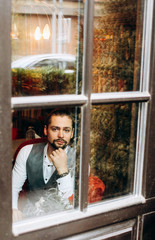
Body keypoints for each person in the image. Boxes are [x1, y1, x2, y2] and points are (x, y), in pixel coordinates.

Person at [12, 109, 75, 222]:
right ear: (46, 130)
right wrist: (13, 209)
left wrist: (62, 170)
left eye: (66, 130)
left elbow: (70, 203)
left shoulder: (80, 160)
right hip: (28, 216)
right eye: (55, 129)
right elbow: (13, 187)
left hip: (60, 220)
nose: (61, 135)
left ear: (72, 133)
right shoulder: (26, 151)